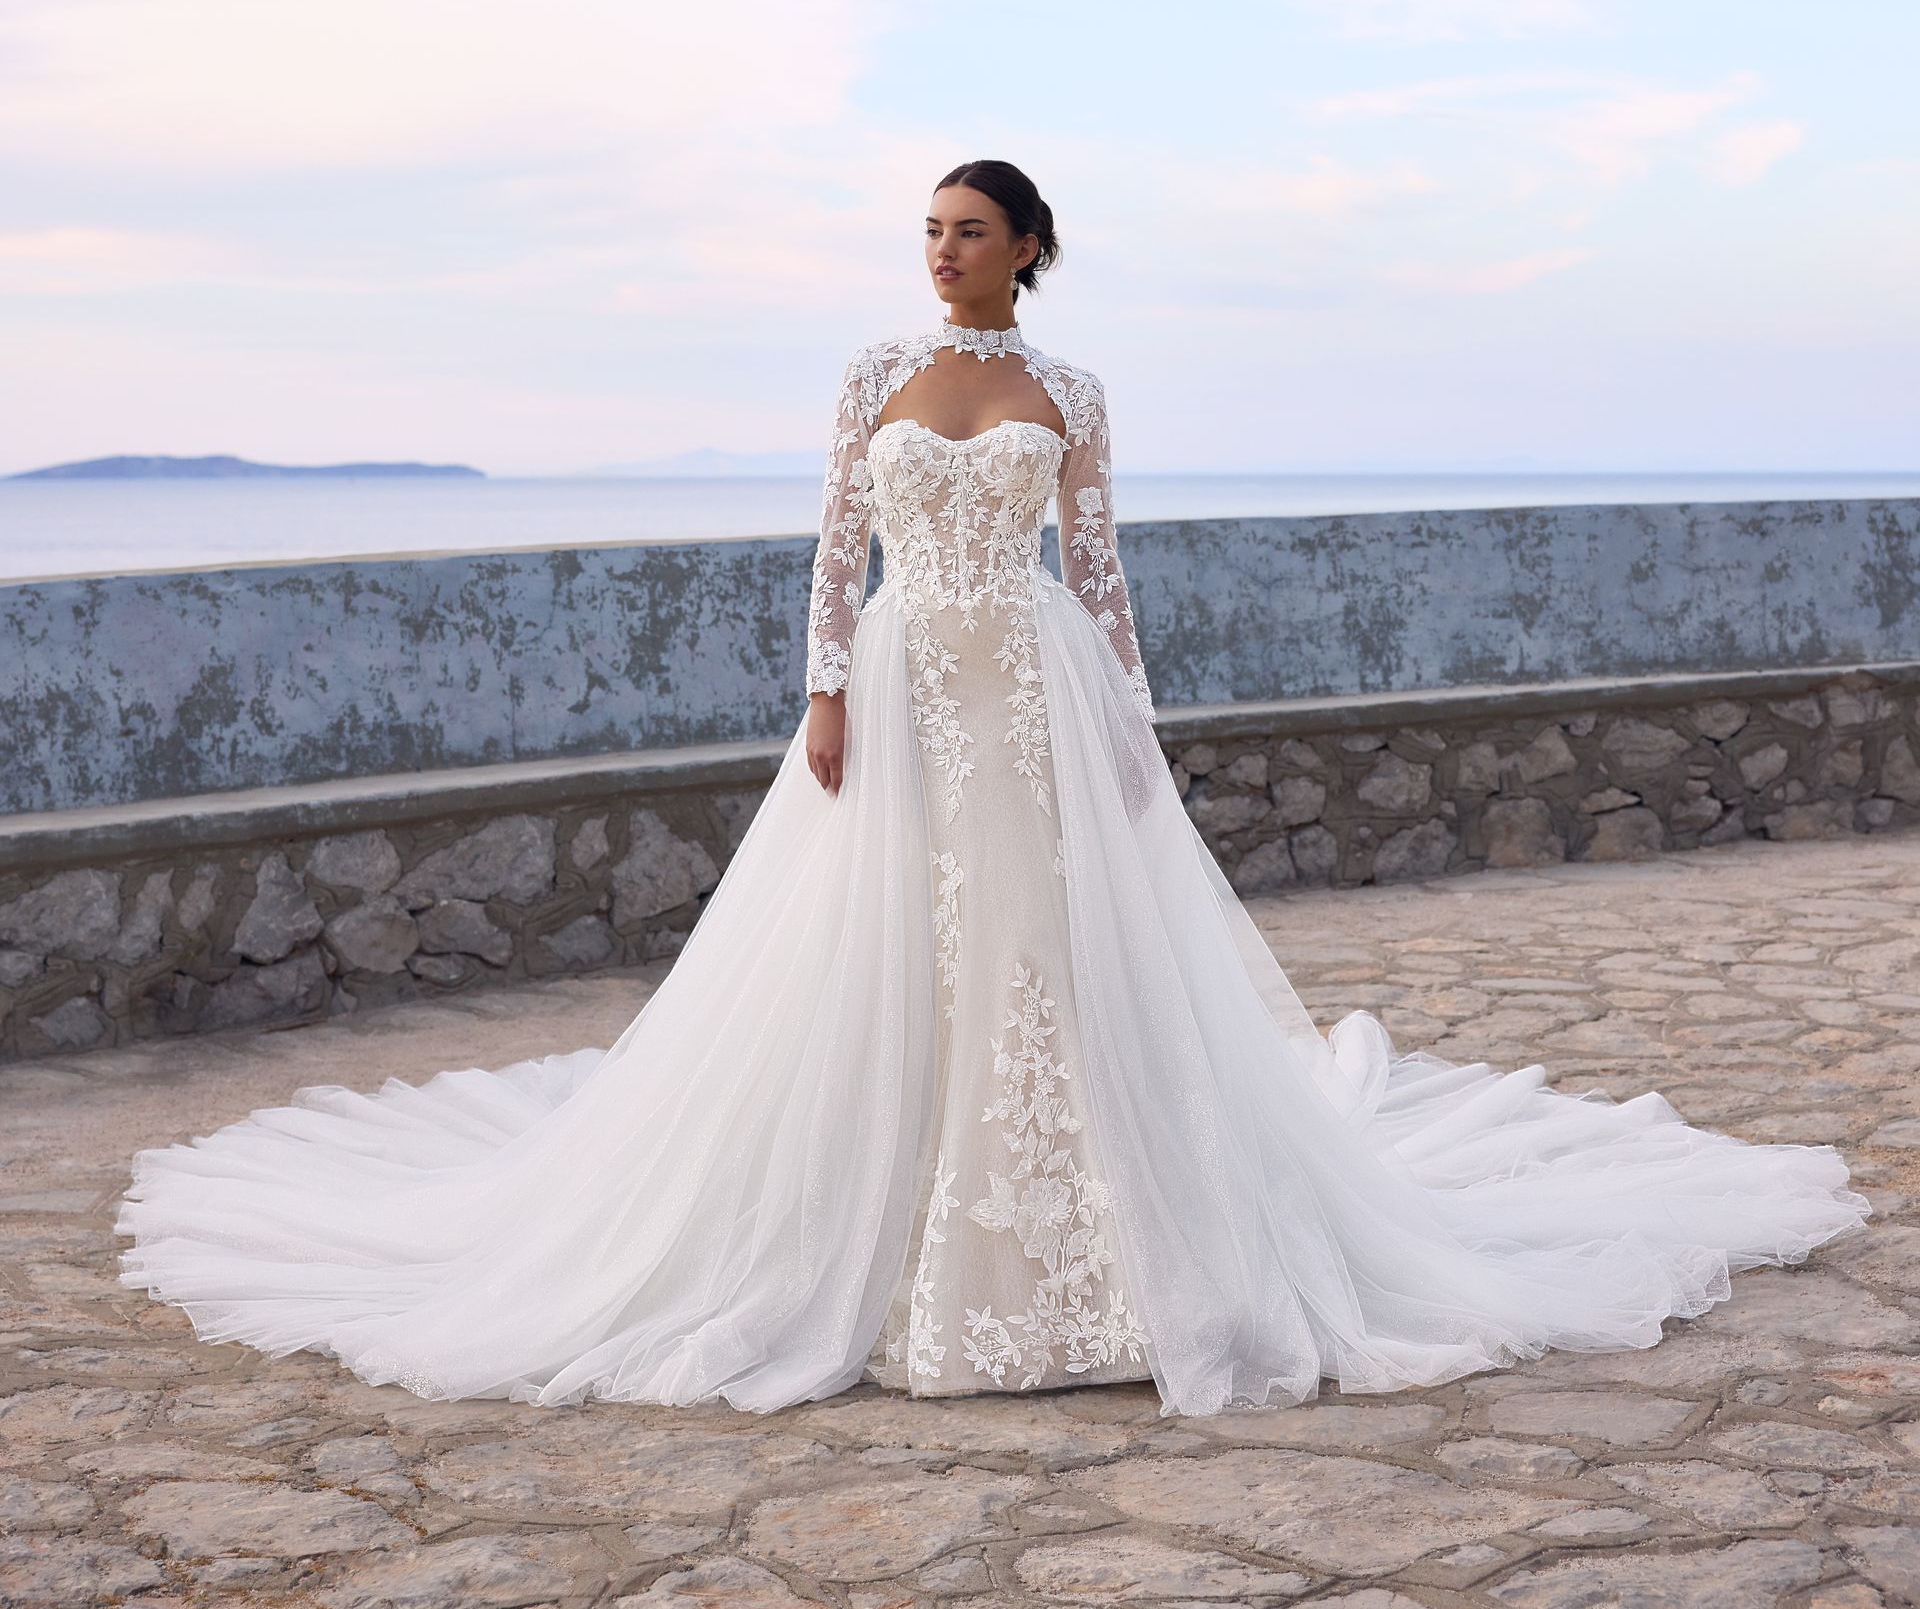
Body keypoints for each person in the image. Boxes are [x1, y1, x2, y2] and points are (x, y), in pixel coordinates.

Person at [118, 159, 1866, 1413]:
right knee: (883, 957)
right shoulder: (875, 373)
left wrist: (1130, 728)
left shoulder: (1072, 388)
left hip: (1032, 683)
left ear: (1030, 251)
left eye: (971, 233)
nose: (943, 254)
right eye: (930, 232)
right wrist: (819, 690)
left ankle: (1089, 1256)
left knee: (1033, 956)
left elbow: (1100, 577)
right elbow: (830, 543)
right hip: (898, 680)